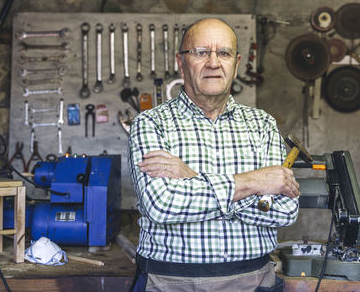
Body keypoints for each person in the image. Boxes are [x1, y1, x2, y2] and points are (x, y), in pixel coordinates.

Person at [128, 18, 300, 292]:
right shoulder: (151, 123)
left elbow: (283, 210)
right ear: (181, 63)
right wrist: (254, 183)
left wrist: (193, 178)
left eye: (223, 53)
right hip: (170, 283)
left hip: (254, 281)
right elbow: (161, 205)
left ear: (236, 63)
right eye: (200, 52)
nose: (213, 62)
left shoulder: (262, 125)